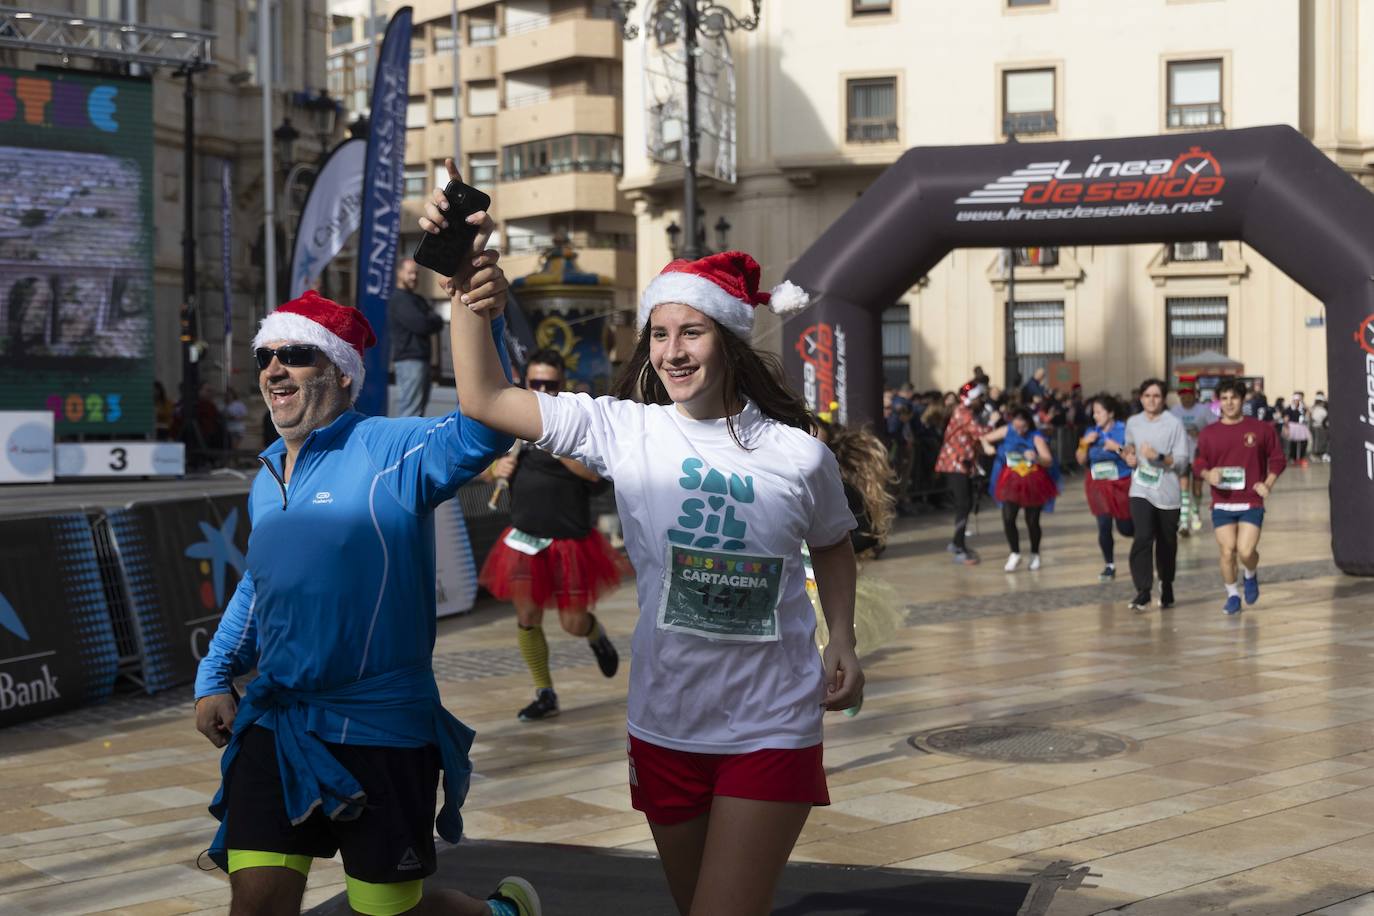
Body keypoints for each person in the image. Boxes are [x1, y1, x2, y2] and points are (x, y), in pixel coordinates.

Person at [426, 172, 862, 916]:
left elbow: (832, 543)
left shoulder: (799, 455)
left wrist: (843, 638)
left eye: (690, 332)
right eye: (659, 334)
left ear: (725, 338)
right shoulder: (625, 429)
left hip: (772, 726)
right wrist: (466, 289)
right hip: (664, 723)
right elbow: (486, 400)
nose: (673, 352)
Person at [193, 265, 542, 910]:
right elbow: (260, 586)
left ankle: (498, 911)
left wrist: (480, 315)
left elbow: (487, 426)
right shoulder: (266, 475)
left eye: (296, 356)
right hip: (279, 722)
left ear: (343, 374)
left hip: (381, 728)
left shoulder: (392, 448)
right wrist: (215, 674)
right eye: (266, 356)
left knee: (389, 911)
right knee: (257, 905)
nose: (274, 370)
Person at [479, 347, 625, 722]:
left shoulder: (578, 423)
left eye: (551, 384)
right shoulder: (511, 424)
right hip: (525, 539)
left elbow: (596, 476)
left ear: (564, 385)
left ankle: (595, 635)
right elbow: (476, 466)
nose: (542, 390)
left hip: (570, 543)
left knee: (572, 623)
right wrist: (496, 470)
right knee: (526, 616)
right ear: (525, 383)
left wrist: (554, 443)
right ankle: (545, 692)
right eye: (535, 383)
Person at [1194, 379, 1286, 615]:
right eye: (1224, 398)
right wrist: (1207, 474)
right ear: (1218, 402)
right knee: (1227, 551)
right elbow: (1198, 463)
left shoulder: (1261, 429)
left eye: (1233, 397)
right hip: (1222, 503)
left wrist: (1267, 484)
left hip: (1251, 501)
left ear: (1243, 399)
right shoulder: (1208, 434)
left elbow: (1278, 459)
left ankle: (1251, 574)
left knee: (1245, 552)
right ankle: (1232, 594)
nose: (1229, 403)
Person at [1123, 378, 1190, 611]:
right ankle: (1142, 591)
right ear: (1140, 398)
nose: (1151, 400)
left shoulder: (1174, 424)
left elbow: (1182, 463)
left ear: (1163, 399)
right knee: (1142, 537)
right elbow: (1129, 446)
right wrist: (1129, 456)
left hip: (1167, 492)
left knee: (1167, 543)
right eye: (1147, 396)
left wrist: (1159, 457)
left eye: (1156, 396)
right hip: (1141, 488)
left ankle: (1167, 583)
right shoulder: (1133, 422)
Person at [981, 407, 1059, 572]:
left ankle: (1035, 553)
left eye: (1022, 427)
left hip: (1032, 479)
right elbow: (984, 437)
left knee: (1032, 521)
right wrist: (987, 446)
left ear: (1028, 425)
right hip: (1010, 479)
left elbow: (1048, 460)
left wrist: (1036, 457)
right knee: (1008, 517)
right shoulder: (1006, 430)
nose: (1019, 430)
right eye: (1016, 426)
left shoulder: (1036, 437)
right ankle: (1015, 552)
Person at [1076, 395, 1135, 582]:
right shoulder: (1090, 432)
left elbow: (1132, 458)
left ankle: (1145, 537)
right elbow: (1080, 460)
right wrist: (1084, 444)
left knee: (1125, 527)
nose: (1095, 416)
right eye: (1094, 412)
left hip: (1121, 484)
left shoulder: (1124, 430)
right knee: (1103, 525)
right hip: (1098, 485)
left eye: (1099, 412)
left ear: (1110, 413)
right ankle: (1109, 565)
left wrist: (1117, 448)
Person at [935, 381, 994, 565]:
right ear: (970, 398)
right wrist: (994, 423)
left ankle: (957, 542)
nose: (982, 401)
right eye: (979, 397)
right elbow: (978, 431)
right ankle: (958, 545)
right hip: (954, 464)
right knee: (963, 503)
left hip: (964, 464)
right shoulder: (962, 412)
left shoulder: (968, 412)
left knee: (966, 504)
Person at [389, 258, 445, 417]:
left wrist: (431, 320)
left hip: (421, 360)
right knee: (411, 412)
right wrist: (430, 319)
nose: (414, 277)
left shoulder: (418, 299)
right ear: (399, 273)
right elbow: (422, 324)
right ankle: (405, 443)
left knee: (417, 412)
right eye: (409, 273)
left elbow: (438, 321)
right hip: (409, 361)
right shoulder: (398, 299)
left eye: (416, 273)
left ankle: (412, 442)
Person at [1169, 377, 1215, 535]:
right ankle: (1183, 522)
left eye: (1189, 394)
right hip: (1180, 455)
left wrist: (1201, 434)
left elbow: (1215, 428)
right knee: (1183, 488)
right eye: (1182, 395)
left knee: (1196, 489)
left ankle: (1195, 513)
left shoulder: (1203, 410)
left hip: (1198, 455)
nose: (1185, 398)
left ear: (1195, 395)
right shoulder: (1174, 411)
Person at [1284, 391, 1311, 468]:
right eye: (1295, 400)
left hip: (1301, 426)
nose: (1297, 402)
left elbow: (1308, 414)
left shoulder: (1302, 408)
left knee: (1304, 442)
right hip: (1292, 426)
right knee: (1293, 443)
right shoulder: (1289, 408)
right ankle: (1293, 457)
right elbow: (1286, 418)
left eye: (1298, 400)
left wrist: (1306, 407)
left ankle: (1301, 457)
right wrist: (1286, 428)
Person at [224, 387, 248, 451]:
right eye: (227, 395)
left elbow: (244, 415)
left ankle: (235, 458)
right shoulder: (224, 405)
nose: (228, 396)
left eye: (230, 394)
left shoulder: (239, 404)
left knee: (235, 446)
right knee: (232, 446)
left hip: (238, 428)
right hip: (229, 428)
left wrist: (235, 417)